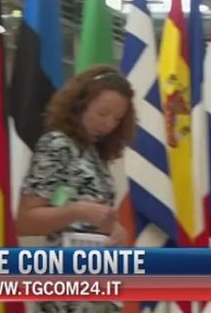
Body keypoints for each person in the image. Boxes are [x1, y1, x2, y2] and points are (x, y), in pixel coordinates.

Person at [15, 64, 136, 313]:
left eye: (117, 119)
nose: (108, 124)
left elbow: (92, 213)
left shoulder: (94, 152)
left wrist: (114, 228)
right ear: (80, 104)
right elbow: (25, 221)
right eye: (102, 113)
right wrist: (76, 211)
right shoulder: (56, 145)